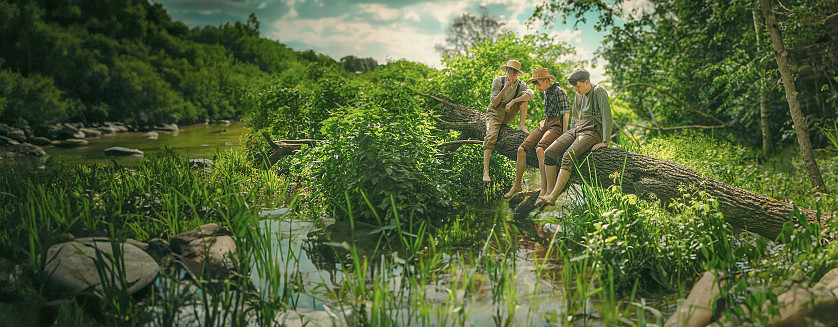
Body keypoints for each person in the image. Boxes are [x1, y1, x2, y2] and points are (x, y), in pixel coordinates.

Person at [536, 68, 613, 206]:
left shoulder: (599, 91)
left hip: (593, 131)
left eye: (578, 86)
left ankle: (553, 197)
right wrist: (571, 135)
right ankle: (548, 192)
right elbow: (575, 116)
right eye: (575, 87)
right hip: (579, 129)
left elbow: (607, 117)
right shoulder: (579, 94)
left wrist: (605, 141)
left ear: (587, 82)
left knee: (567, 156)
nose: (576, 89)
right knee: (549, 152)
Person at [503, 68, 571, 198]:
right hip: (546, 123)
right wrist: (543, 122)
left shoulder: (559, 91)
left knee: (540, 149)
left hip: (557, 125)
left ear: (547, 80)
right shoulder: (546, 92)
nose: (537, 87)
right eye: (535, 84)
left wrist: (564, 134)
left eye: (538, 83)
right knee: (521, 149)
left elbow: (565, 114)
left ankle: (545, 188)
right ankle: (517, 185)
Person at [483, 59, 535, 182]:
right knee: (491, 135)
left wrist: (513, 101)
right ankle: (486, 171)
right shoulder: (498, 81)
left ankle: (521, 125)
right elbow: (494, 103)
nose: (511, 74)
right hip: (495, 111)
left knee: (524, 95)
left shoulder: (521, 84)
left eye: (514, 72)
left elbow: (531, 95)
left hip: (508, 111)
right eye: (510, 71)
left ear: (517, 73)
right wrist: (505, 87)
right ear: (506, 71)